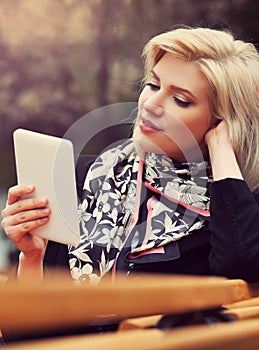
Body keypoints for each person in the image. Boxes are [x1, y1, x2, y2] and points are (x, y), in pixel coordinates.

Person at [1, 26, 259, 284]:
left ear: (223, 121)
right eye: (153, 85)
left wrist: (222, 149)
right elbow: (27, 325)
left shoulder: (238, 211)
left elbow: (244, 266)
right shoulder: (80, 177)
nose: (150, 104)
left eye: (180, 99)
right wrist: (32, 258)